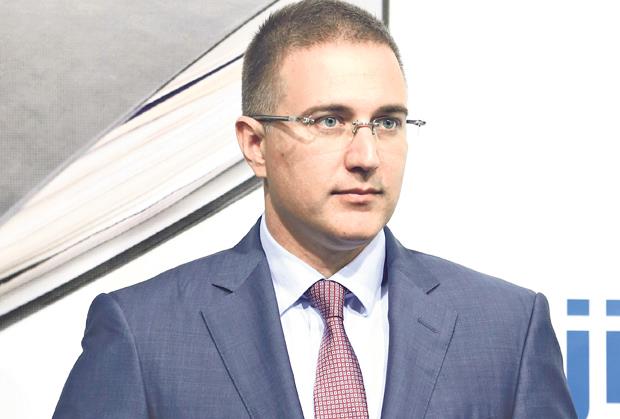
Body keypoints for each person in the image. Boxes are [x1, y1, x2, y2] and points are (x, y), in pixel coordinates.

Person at [53, 1, 577, 418]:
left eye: (387, 123)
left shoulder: (507, 329)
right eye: (330, 121)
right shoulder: (145, 333)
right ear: (255, 144)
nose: (366, 156)